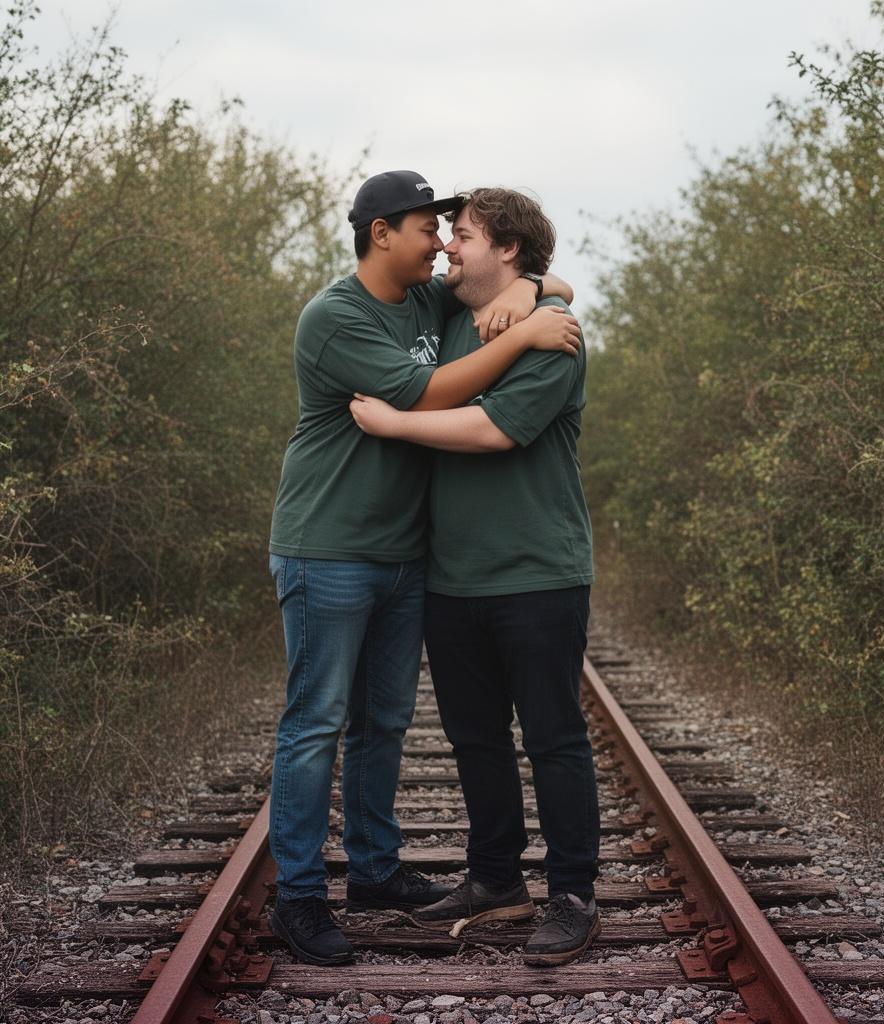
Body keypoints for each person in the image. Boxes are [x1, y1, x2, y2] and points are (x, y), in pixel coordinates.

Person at [267, 170, 579, 966]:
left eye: (454, 233)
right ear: (381, 233)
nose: (441, 243)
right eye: (426, 229)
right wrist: (523, 327)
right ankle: (300, 896)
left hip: (406, 558)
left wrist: (538, 289)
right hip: (330, 544)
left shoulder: (428, 302)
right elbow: (432, 393)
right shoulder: (335, 316)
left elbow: (518, 277)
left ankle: (372, 874)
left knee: (384, 726)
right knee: (315, 727)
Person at [349, 187, 600, 967]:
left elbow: (493, 429)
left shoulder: (554, 338)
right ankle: (495, 881)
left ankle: (571, 895)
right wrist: (534, 286)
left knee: (554, 738)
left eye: (463, 235)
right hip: (453, 579)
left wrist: (395, 423)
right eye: (450, 235)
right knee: (475, 740)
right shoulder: (448, 314)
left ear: (509, 248)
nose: (449, 247)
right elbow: (395, 273)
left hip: (538, 573)